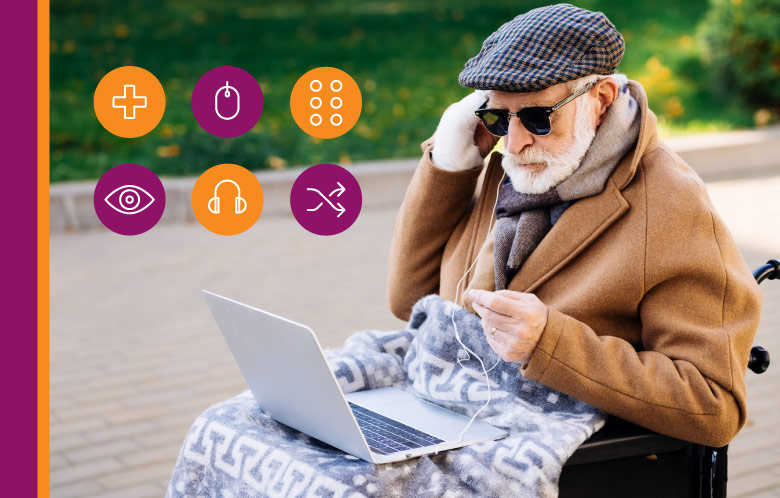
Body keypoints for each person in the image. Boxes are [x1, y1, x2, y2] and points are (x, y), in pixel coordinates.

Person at [387, 3, 763, 448]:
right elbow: (410, 300)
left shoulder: (669, 202)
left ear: (600, 100)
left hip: (563, 462)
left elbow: (712, 404)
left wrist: (549, 342)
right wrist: (449, 164)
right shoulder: (508, 163)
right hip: (460, 424)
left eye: (538, 117)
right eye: (497, 116)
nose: (517, 142)